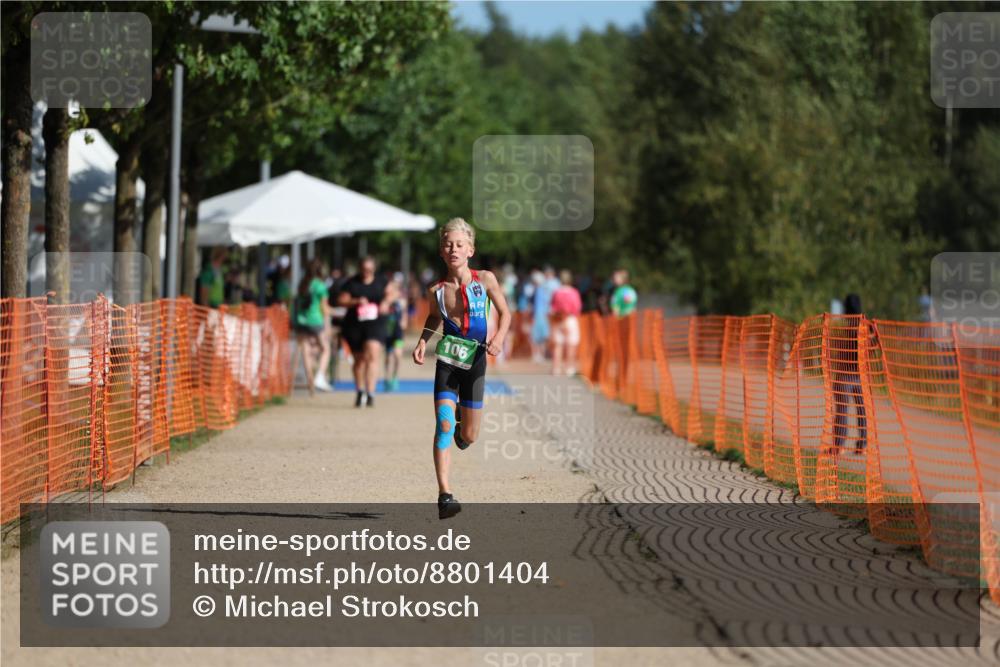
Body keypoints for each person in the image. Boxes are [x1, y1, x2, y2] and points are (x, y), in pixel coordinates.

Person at [412, 218, 511, 519]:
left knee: (469, 435)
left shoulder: (486, 280)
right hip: (448, 363)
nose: (453, 249)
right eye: (447, 245)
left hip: (476, 362)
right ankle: (445, 495)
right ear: (441, 252)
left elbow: (506, 313)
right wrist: (422, 341)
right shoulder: (436, 290)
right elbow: (433, 318)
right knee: (442, 425)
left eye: (459, 244)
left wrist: (498, 338)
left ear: (470, 250)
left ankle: (462, 429)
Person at [338, 256, 391, 407]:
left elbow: (392, 293)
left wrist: (386, 302)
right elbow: (341, 300)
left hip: (376, 323)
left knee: (373, 355)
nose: (366, 272)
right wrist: (355, 301)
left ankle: (371, 392)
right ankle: (360, 390)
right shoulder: (351, 283)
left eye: (369, 269)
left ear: (374, 268)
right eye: (363, 269)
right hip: (355, 325)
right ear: (359, 268)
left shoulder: (381, 281)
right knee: (359, 360)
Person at [832, 293, 868, 454]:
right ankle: (862, 445)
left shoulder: (848, 326)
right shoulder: (865, 325)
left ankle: (839, 446)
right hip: (860, 374)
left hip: (846, 373)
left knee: (842, 410)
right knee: (861, 409)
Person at [294, 259, 333, 393]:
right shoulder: (320, 286)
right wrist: (330, 320)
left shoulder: (302, 284)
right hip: (315, 320)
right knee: (326, 349)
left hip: (302, 320)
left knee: (306, 350)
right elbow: (324, 308)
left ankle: (310, 379)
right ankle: (320, 375)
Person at [549, 270, 583, 376]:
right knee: (571, 344)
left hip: (558, 319)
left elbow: (552, 306)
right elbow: (577, 307)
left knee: (558, 344)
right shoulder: (574, 292)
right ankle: (569, 367)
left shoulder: (557, 292)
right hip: (570, 319)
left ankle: (556, 368)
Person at [383, 274, 408, 392]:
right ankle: (387, 377)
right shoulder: (387, 297)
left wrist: (404, 321)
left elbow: (404, 311)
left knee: (397, 355)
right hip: (388, 330)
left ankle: (395, 377)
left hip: (398, 331)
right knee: (388, 356)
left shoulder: (402, 298)